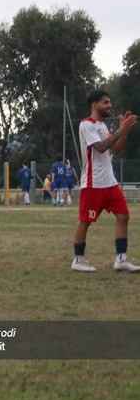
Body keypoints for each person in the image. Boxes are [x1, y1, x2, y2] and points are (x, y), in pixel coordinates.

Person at [71, 89, 139, 272]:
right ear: (95, 105)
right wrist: (121, 129)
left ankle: (121, 259)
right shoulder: (86, 125)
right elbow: (101, 148)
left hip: (110, 182)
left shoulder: (102, 126)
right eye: (105, 102)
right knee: (85, 221)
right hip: (93, 184)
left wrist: (124, 131)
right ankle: (78, 260)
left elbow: (115, 149)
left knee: (124, 216)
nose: (109, 105)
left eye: (109, 102)